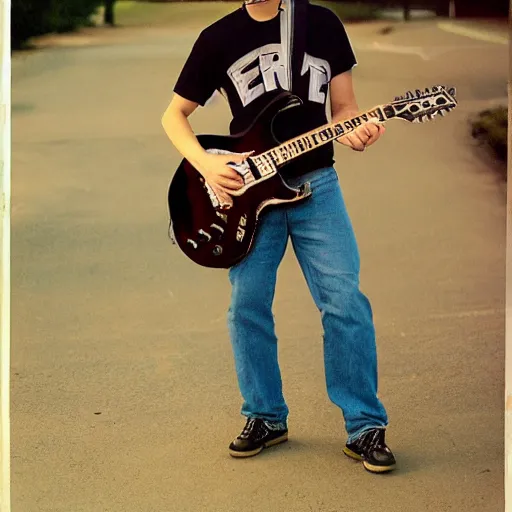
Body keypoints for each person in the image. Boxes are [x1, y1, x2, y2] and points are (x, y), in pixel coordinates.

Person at [161, 0, 396, 474]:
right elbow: (173, 116)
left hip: (317, 186)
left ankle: (364, 425)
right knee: (246, 304)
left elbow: (345, 109)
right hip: (249, 194)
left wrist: (358, 130)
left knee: (344, 300)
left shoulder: (322, 24)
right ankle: (265, 416)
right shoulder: (218, 38)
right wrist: (208, 162)